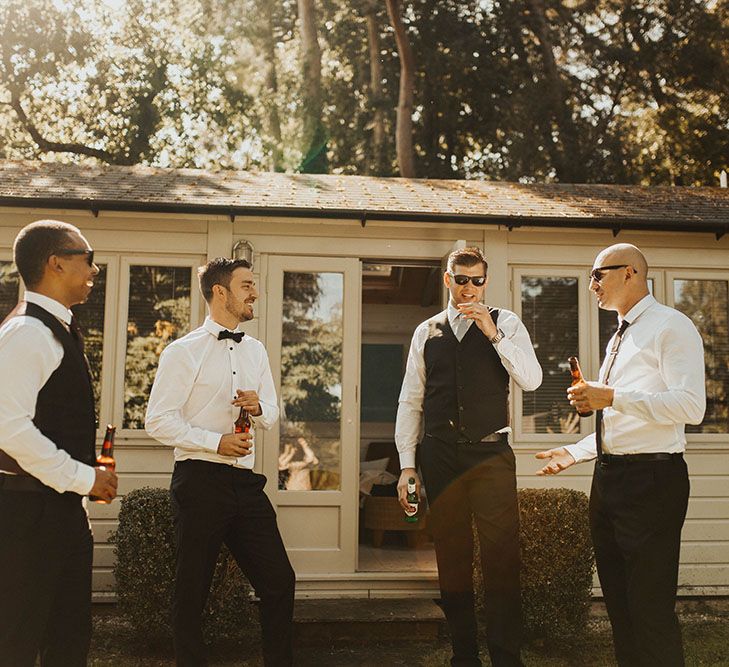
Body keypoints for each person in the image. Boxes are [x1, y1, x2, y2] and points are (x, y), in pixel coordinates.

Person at [536, 243, 706, 667]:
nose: (591, 283)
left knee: (649, 612)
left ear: (629, 272)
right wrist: (576, 451)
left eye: (598, 274)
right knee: (620, 611)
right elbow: (624, 420)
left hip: (651, 483)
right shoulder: (619, 334)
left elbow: (691, 406)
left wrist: (609, 395)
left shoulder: (671, 325)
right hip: (610, 482)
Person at [396, 246, 542, 667]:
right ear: (448, 280)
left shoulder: (507, 322)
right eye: (462, 280)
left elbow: (531, 380)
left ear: (485, 282)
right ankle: (464, 655)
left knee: (501, 559)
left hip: (491, 455)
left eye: (478, 280)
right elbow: (411, 401)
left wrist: (493, 334)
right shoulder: (427, 331)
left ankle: (505, 657)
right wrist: (407, 464)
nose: (470, 288)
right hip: (439, 454)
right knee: (451, 556)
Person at [145, 257, 294, 667]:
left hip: (245, 485)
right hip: (199, 483)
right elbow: (157, 420)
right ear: (220, 292)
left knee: (280, 581)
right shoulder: (182, 351)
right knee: (191, 591)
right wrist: (216, 443)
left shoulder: (257, 350)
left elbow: (272, 416)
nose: (255, 293)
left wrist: (258, 406)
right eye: (247, 285)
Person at [0, 219, 118, 667]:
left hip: (58, 515)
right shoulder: (27, 333)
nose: (94, 269)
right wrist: (82, 477)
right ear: (55, 262)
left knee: (67, 642)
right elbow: (7, 426)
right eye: (88, 259)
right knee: (15, 642)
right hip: (27, 520)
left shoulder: (57, 330)